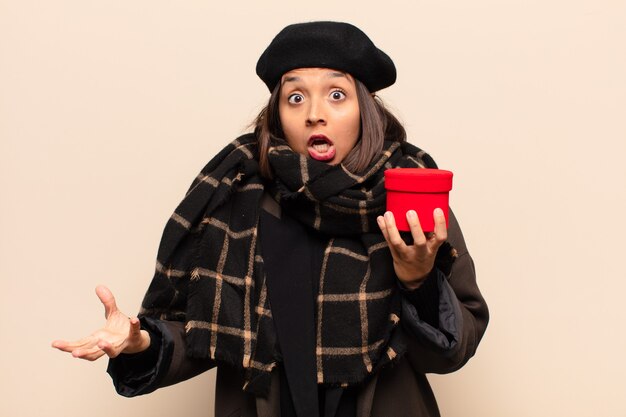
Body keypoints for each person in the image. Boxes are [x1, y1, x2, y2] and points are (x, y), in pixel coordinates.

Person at [52, 21, 489, 417]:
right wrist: (139, 343)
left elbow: (451, 352)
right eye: (295, 96)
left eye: (337, 94)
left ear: (366, 108)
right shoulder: (237, 196)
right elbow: (201, 334)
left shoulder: (408, 196)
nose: (314, 112)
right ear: (278, 113)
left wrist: (418, 280)